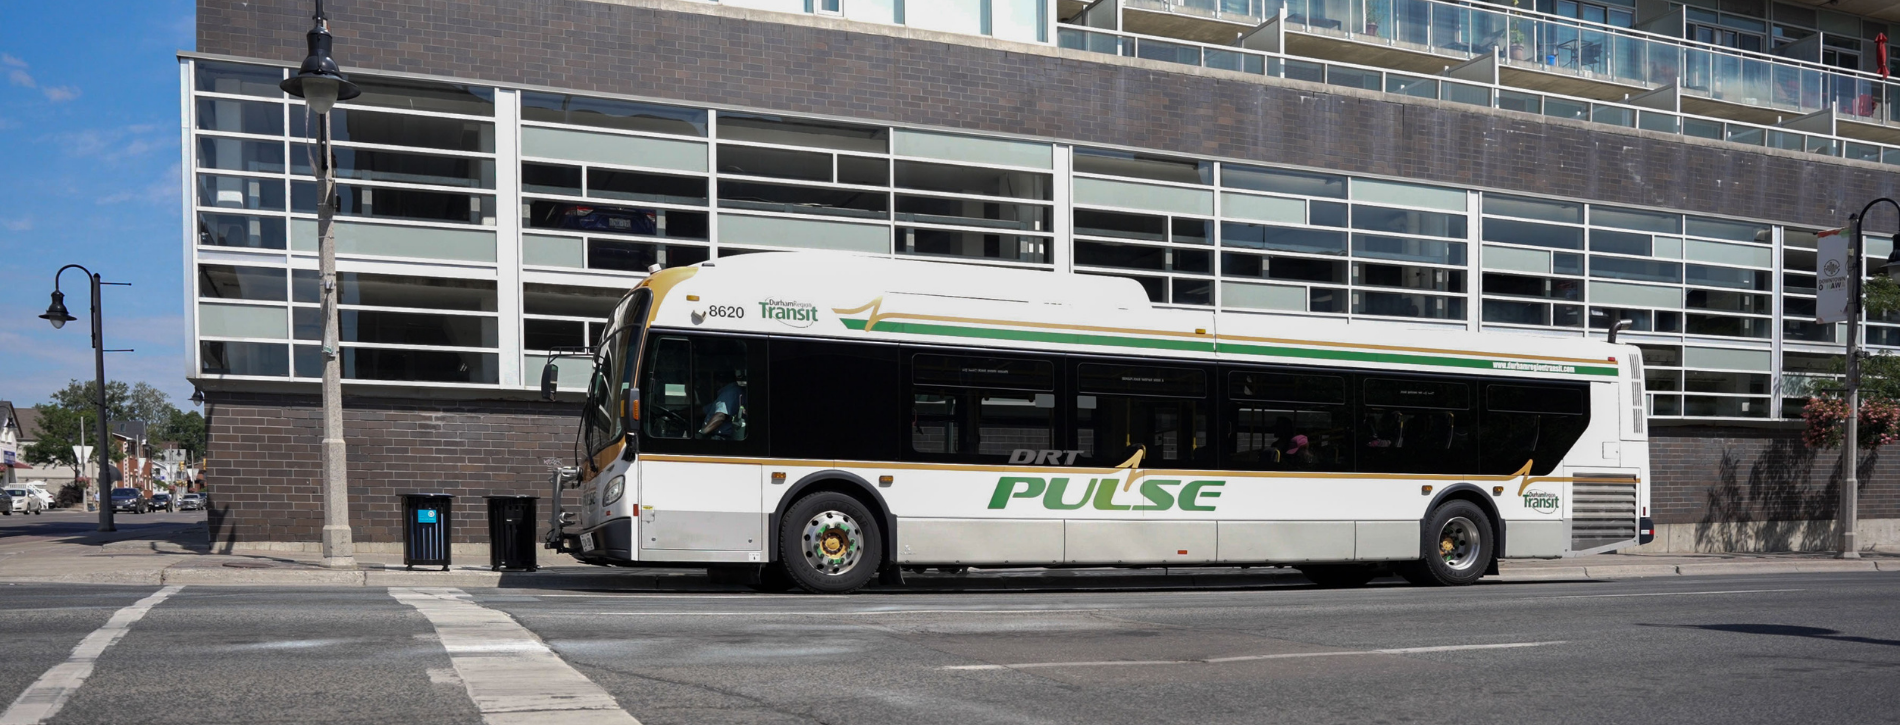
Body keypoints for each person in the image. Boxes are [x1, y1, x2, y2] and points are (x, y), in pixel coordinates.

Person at [698, 369, 746, 440]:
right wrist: (681, 412)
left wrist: (702, 432)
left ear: (720, 381)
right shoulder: (728, 393)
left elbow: (720, 416)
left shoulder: (729, 393)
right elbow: (705, 410)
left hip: (722, 438)